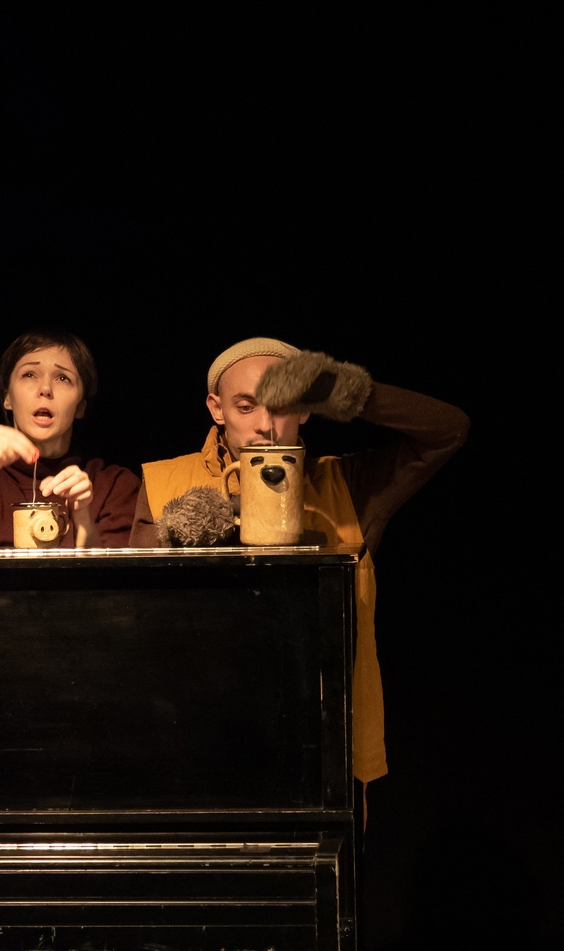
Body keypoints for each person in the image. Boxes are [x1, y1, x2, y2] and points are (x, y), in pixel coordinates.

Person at [130, 336, 470, 794]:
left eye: (283, 406)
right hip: (197, 741)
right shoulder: (164, 482)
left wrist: (343, 389)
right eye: (246, 407)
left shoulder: (344, 485)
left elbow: (449, 429)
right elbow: (139, 625)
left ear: (306, 410)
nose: (265, 426)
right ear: (217, 408)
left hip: (320, 743)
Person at [0, 329, 140, 549]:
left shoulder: (115, 484)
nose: (45, 389)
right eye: (29, 375)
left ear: (81, 406)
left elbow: (113, 569)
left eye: (63, 378)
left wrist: (82, 519)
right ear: (7, 397)